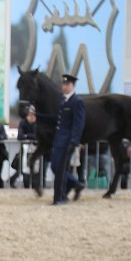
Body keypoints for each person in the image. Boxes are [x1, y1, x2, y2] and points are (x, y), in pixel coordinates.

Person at [47, 74, 86, 204]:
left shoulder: (77, 102)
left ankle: (59, 197)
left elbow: (78, 124)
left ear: (73, 86)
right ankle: (75, 183)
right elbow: (58, 119)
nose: (64, 86)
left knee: (61, 169)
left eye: (67, 84)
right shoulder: (63, 101)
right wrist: (40, 117)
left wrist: (74, 141)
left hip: (67, 141)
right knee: (55, 166)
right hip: (59, 140)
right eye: (63, 84)